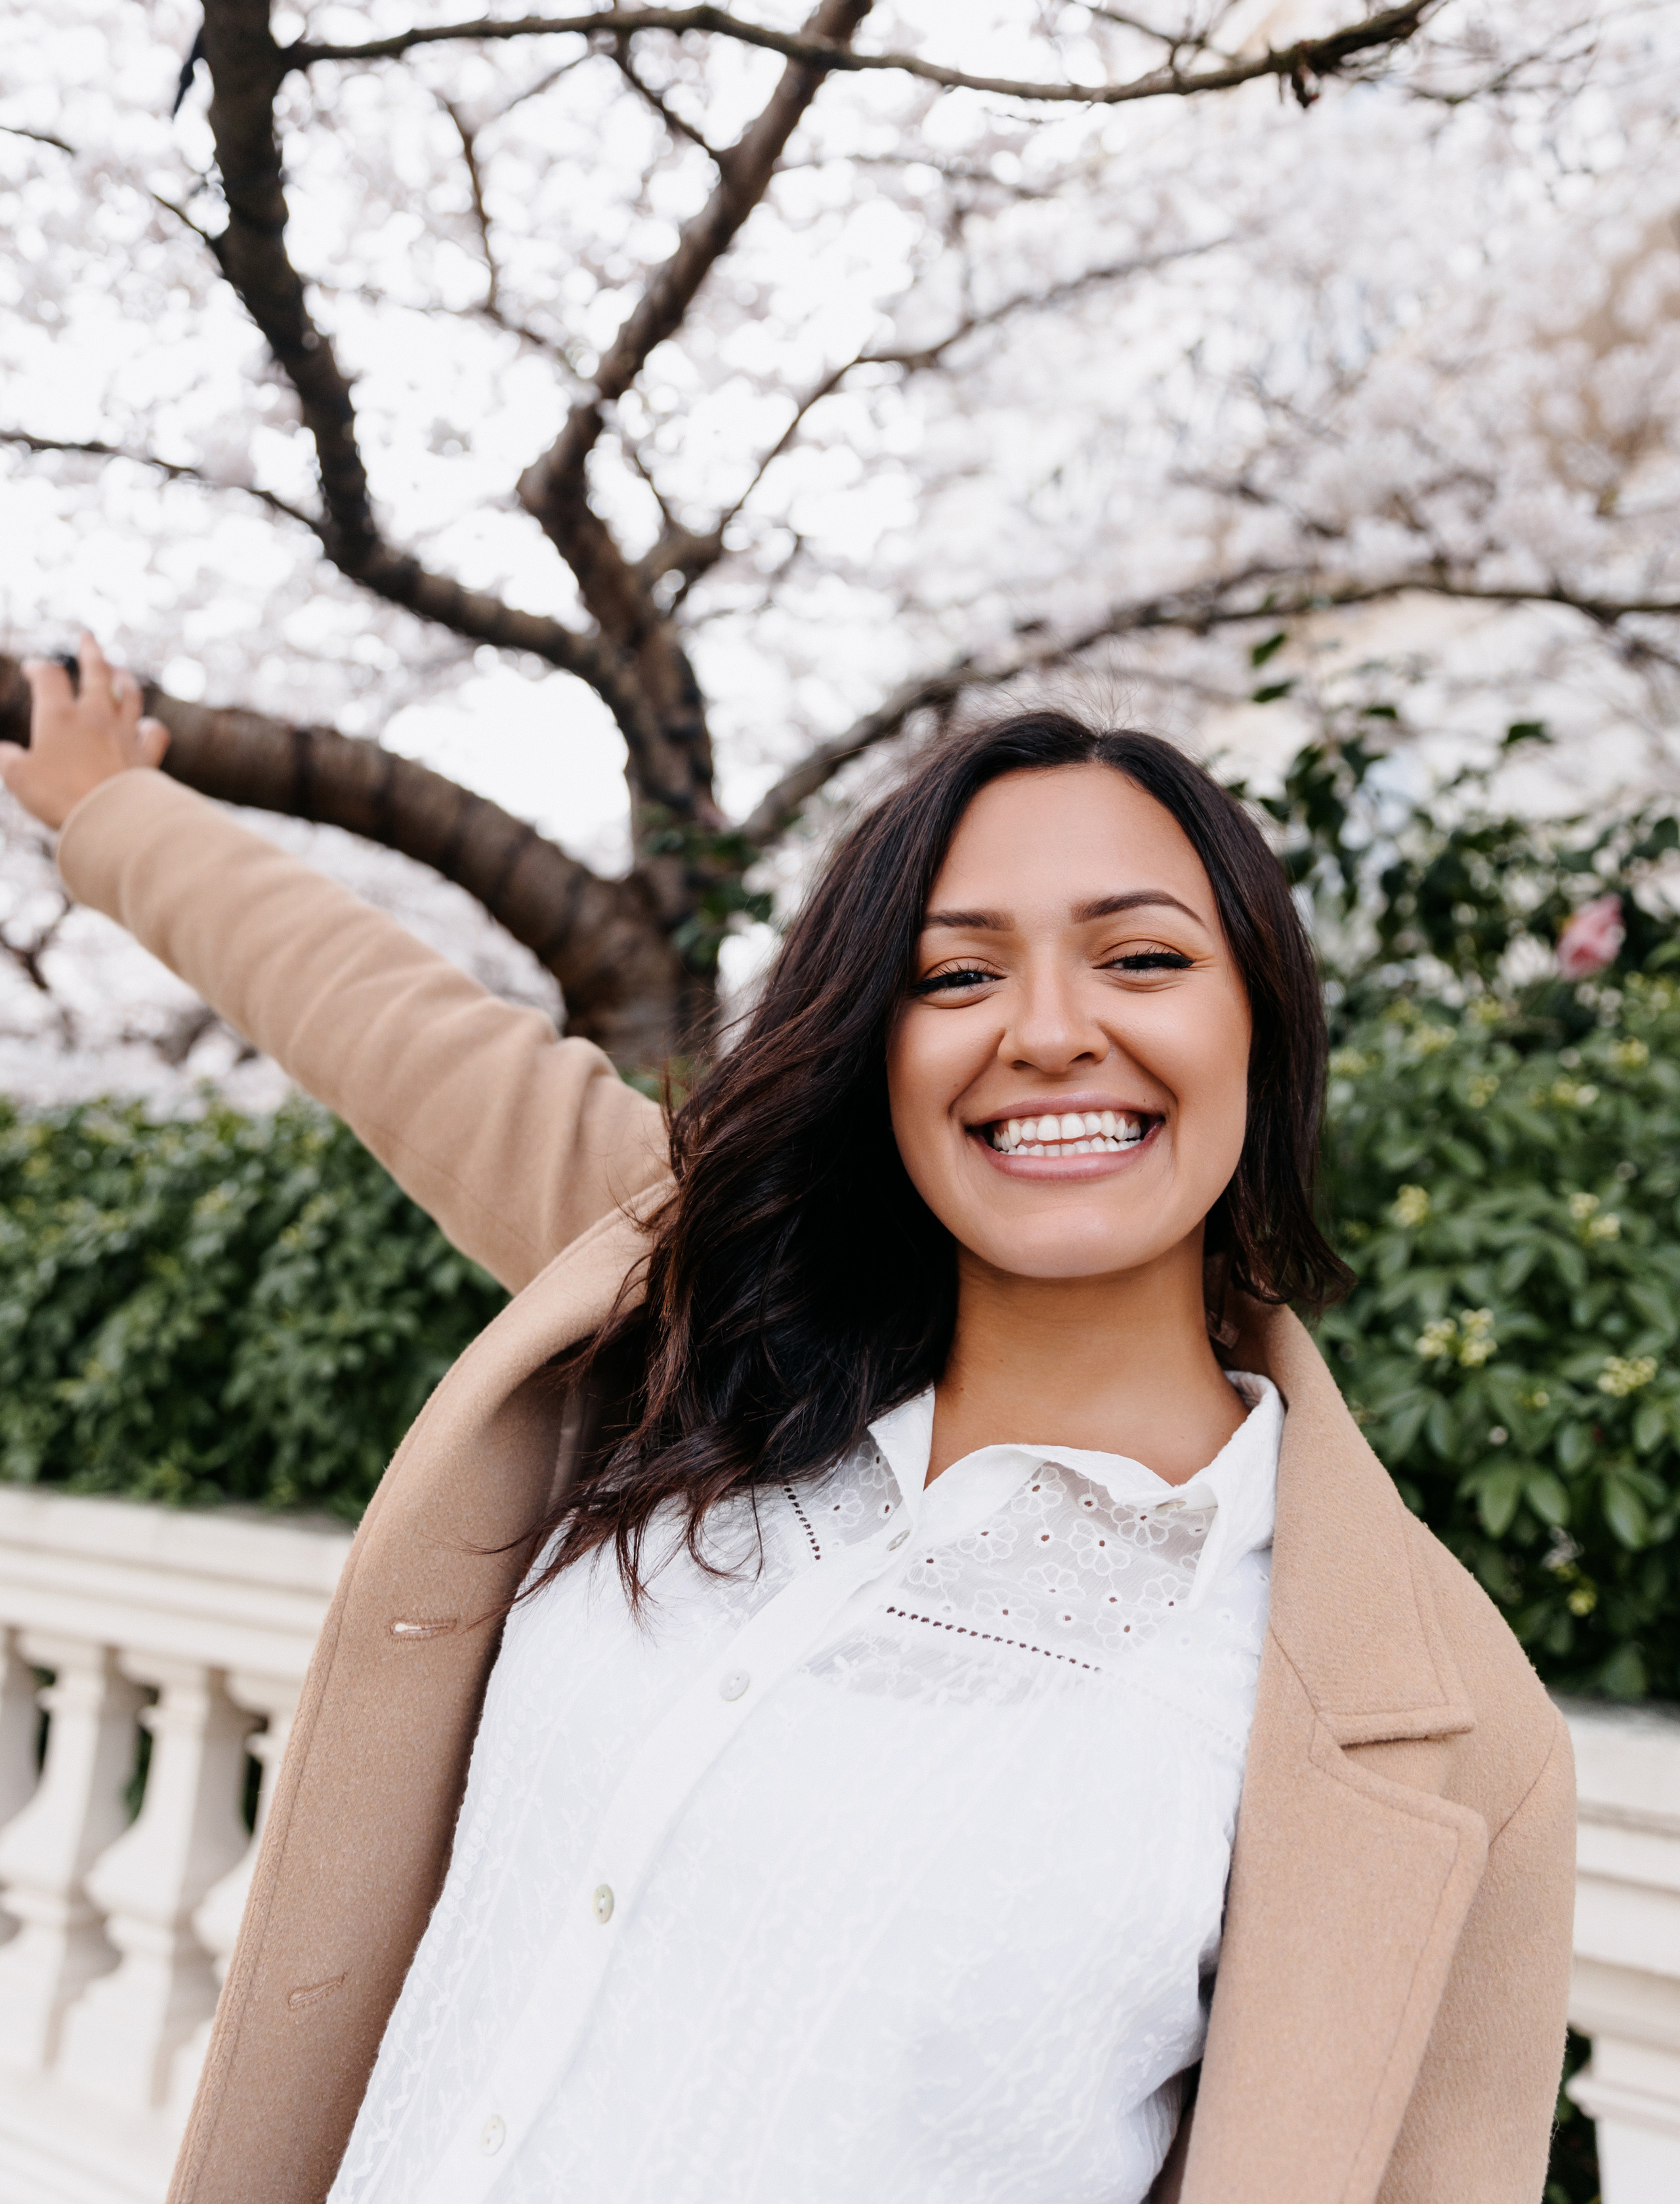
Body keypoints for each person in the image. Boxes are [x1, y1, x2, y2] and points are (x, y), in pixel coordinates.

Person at [0, 637, 1574, 2204]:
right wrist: (113, 816)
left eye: (1141, 958)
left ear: (1263, 1023)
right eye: (954, 973)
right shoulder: (708, 1317)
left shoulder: (1429, 1726)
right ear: (875, 1050)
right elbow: (400, 1031)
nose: (1044, 1031)